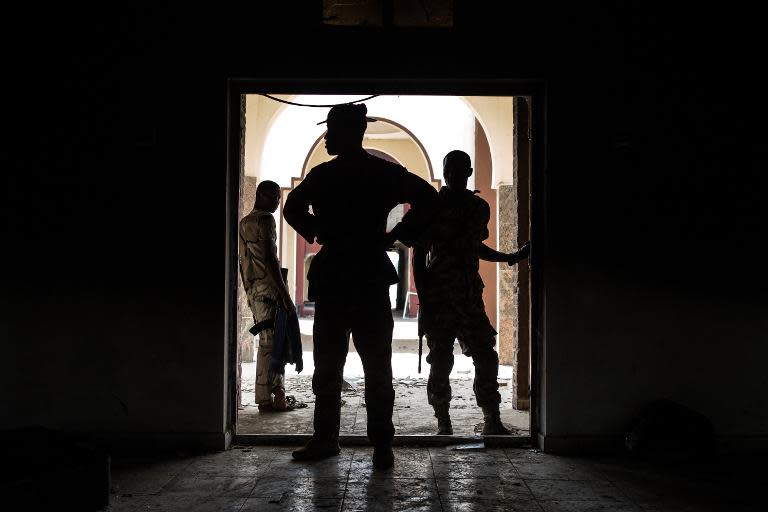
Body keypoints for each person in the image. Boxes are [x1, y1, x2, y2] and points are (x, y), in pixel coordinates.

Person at [284, 103, 439, 469]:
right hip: (370, 273)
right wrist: (399, 233)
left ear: (346, 133)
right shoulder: (384, 173)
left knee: (328, 366)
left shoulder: (323, 176)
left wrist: (316, 230)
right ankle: (382, 445)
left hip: (335, 273)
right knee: (376, 365)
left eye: (331, 130)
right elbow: (430, 200)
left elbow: (292, 208)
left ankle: (325, 439)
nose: (326, 138)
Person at [412, 150, 530, 435]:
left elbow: (475, 247)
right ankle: (443, 420)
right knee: (441, 358)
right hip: (440, 295)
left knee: (486, 357)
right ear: (444, 171)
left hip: (468, 294)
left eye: (460, 168)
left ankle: (492, 419)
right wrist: (425, 298)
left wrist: (507, 257)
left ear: (468, 172)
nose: (454, 173)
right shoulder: (433, 206)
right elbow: (419, 254)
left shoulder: (478, 208)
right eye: (449, 168)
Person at [239, 180, 300, 412]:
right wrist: (284, 294)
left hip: (254, 289)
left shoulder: (245, 222)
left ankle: (266, 396)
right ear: (261, 195)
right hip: (269, 289)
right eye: (274, 196)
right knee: (275, 343)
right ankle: (276, 395)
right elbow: (270, 259)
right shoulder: (266, 220)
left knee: (266, 341)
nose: (277, 201)